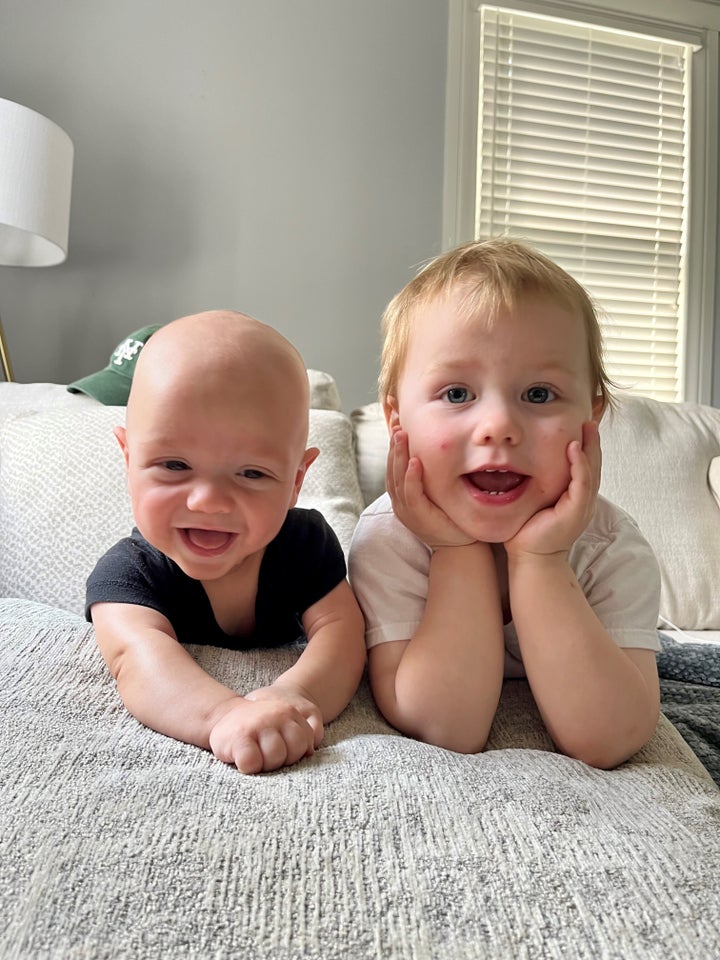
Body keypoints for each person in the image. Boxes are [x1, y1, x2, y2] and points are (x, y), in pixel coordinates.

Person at [348, 237, 662, 769]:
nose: (498, 427)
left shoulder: (612, 546)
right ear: (396, 420)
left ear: (593, 418)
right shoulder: (388, 539)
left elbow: (611, 738)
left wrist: (541, 560)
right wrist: (455, 550)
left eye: (538, 394)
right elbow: (450, 726)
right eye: (456, 394)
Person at [87, 310, 366, 774]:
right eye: (174, 465)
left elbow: (342, 632)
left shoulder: (303, 543)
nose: (209, 501)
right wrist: (224, 715)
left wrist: (297, 693)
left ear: (296, 481)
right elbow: (137, 659)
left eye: (252, 473)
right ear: (128, 458)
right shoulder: (127, 574)